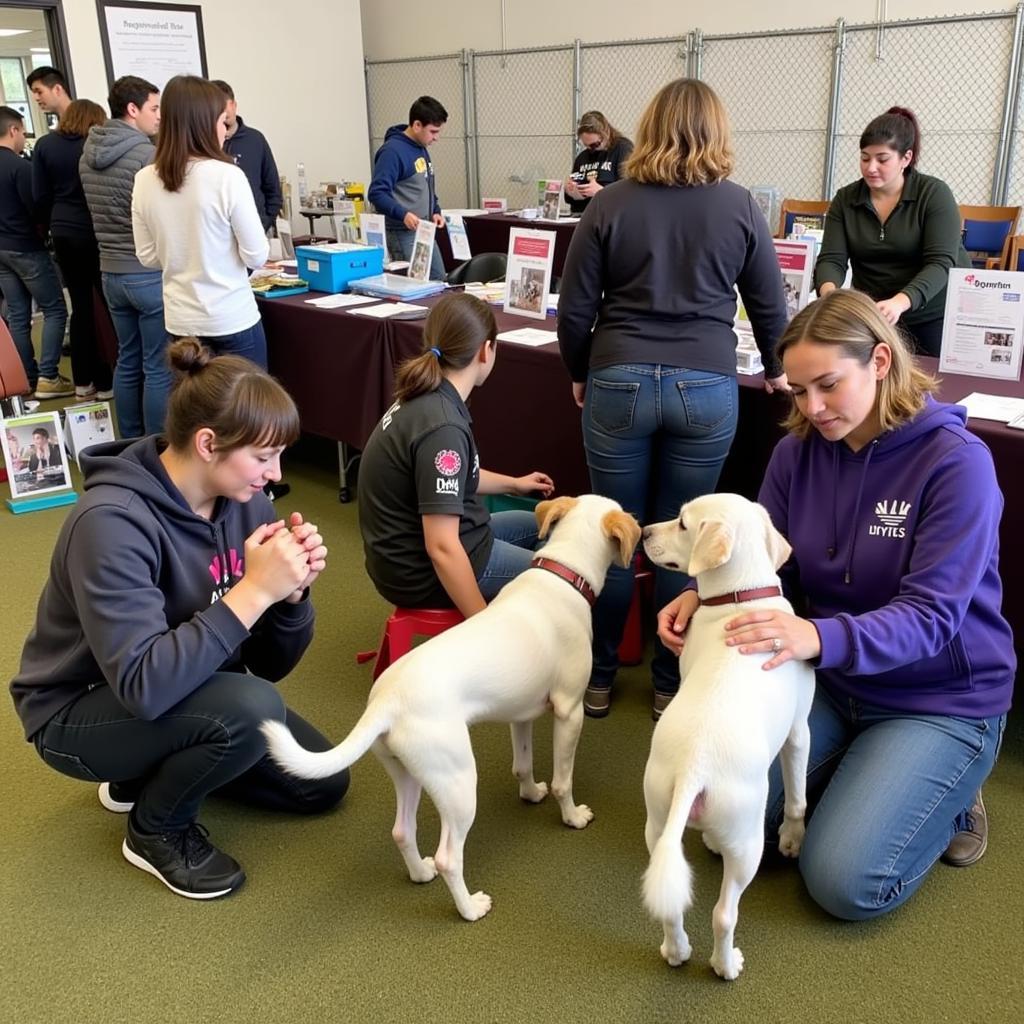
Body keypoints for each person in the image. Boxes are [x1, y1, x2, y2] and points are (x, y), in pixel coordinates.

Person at [657, 289, 1013, 920]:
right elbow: (768, 567)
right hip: (823, 681)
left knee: (843, 884)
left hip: (936, 698)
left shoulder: (958, 465)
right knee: (726, 829)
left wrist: (819, 639)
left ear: (880, 361)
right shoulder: (796, 454)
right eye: (798, 391)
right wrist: (699, 593)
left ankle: (957, 786)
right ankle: (865, 772)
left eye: (828, 385)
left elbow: (933, 617)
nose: (813, 408)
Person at [9, 338, 350, 900]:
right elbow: (143, 687)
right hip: (76, 710)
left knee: (321, 781)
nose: (275, 473)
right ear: (208, 442)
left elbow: (264, 665)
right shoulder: (112, 522)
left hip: (178, 685)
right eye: (263, 457)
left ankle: (148, 768)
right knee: (249, 711)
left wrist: (290, 599)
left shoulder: (245, 503)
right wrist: (251, 593)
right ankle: (154, 829)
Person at [557, 78, 789, 720]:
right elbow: (771, 304)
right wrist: (775, 368)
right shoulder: (741, 206)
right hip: (706, 388)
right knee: (682, 541)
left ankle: (598, 678)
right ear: (718, 133)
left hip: (618, 378)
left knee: (615, 537)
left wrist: (581, 369)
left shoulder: (608, 204)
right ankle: (668, 683)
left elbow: (575, 308)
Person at [358, 292, 554, 617]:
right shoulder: (443, 426)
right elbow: (442, 547)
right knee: (563, 578)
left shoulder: (425, 397)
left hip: (408, 554)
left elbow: (451, 478)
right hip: (422, 572)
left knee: (545, 522)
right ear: (485, 350)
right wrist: (481, 623)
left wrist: (514, 484)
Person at [132, 75, 270, 365]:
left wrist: (183, 254)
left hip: (181, 323)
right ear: (205, 124)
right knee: (247, 408)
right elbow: (256, 254)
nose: (225, 131)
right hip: (231, 319)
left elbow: (146, 256)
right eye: (222, 122)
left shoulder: (145, 179)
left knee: (193, 407)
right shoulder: (226, 175)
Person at [814, 107, 970, 358]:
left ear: (906, 158)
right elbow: (831, 259)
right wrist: (830, 295)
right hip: (874, 316)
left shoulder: (934, 194)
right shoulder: (845, 199)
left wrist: (900, 301)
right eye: (865, 158)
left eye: (882, 159)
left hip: (931, 314)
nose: (871, 167)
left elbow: (940, 263)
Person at [80, 75, 169, 438]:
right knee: (158, 366)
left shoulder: (87, 155)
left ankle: (130, 443)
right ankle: (157, 447)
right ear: (132, 110)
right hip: (146, 273)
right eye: (154, 108)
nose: (160, 116)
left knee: (127, 360)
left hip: (110, 273)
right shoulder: (147, 155)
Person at [31, 98, 113, 401]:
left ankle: (83, 383)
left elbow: (39, 196)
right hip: (95, 230)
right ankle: (108, 382)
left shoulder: (45, 145)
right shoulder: (95, 145)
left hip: (64, 232)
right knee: (106, 308)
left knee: (79, 309)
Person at [0, 105, 71, 399]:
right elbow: (37, 209)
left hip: (1, 251)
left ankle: (26, 377)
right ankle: (48, 376)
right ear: (14, 130)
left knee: (18, 314)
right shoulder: (20, 167)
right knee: (54, 309)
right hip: (26, 247)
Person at [368, 95, 447, 281]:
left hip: (424, 230)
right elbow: (377, 192)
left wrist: (435, 210)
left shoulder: (420, 146)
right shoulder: (392, 151)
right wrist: (403, 214)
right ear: (417, 125)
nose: (436, 138)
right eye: (433, 132)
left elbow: (425, 185)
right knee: (413, 286)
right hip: (401, 232)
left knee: (438, 280)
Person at [211, 80, 283, 233]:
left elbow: (273, 189)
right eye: (218, 107)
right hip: (220, 232)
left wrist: (265, 222)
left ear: (234, 105)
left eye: (227, 104)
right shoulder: (205, 145)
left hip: (257, 229)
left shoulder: (255, 139)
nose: (225, 112)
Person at [564, 110, 633, 215]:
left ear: (606, 133)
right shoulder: (582, 157)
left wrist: (601, 192)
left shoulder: (622, 148)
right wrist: (571, 192)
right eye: (586, 146)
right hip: (584, 215)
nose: (591, 150)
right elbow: (570, 200)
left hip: (611, 216)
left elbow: (629, 192)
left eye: (594, 145)